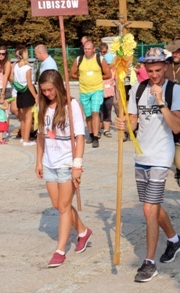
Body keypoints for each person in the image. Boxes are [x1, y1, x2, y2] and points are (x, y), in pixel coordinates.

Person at [118, 47, 180, 282]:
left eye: (158, 70)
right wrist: (123, 123)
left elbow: (177, 127)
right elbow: (134, 123)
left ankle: (149, 262)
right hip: (142, 155)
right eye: (150, 70)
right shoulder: (137, 89)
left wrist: (161, 102)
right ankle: (175, 240)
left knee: (149, 209)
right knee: (153, 207)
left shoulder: (174, 89)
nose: (154, 75)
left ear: (166, 67)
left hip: (161, 154)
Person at [35, 70, 92, 268]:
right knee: (58, 205)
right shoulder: (42, 105)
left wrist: (77, 165)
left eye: (50, 90)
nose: (47, 94)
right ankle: (83, 232)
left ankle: (60, 250)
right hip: (50, 162)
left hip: (67, 163)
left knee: (64, 207)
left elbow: (80, 137)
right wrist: (39, 161)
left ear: (58, 86)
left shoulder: (71, 105)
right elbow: (41, 135)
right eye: (43, 91)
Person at [69, 40, 111, 148]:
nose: (87, 51)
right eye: (85, 49)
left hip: (97, 89)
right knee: (88, 115)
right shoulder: (79, 59)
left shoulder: (99, 59)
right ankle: (91, 134)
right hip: (84, 91)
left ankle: (96, 137)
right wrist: (81, 77)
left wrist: (97, 78)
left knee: (95, 112)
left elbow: (108, 74)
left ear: (93, 49)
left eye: (89, 49)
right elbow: (72, 73)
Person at [12, 46, 38, 146]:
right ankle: (26, 140)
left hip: (19, 92)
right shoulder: (27, 68)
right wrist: (35, 96)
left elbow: (12, 78)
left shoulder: (15, 66)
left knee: (22, 117)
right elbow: (30, 84)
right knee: (28, 118)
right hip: (27, 92)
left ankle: (23, 137)